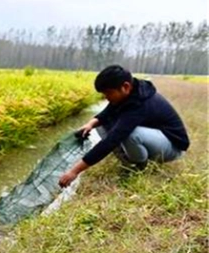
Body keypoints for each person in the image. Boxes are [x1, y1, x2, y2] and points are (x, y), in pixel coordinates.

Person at [59, 65, 189, 188]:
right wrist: (90, 124)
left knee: (131, 134)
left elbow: (111, 140)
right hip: (156, 139)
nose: (106, 97)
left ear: (125, 87)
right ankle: (130, 161)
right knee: (102, 125)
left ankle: (139, 168)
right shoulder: (131, 93)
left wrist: (74, 171)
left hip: (172, 147)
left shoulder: (140, 104)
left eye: (108, 93)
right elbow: (108, 113)